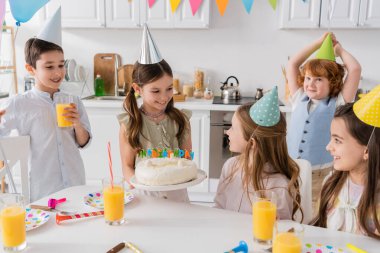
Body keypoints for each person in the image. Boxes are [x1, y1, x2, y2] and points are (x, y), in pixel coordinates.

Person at [0, 8, 91, 202]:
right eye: (49, 67)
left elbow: (84, 142)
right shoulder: (20, 104)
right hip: (43, 189)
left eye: (61, 65)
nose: (58, 72)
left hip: (76, 183)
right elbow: (2, 135)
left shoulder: (73, 101)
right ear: (30, 69)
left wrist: (77, 124)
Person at [286, 32, 361, 211]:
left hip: (319, 173)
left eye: (319, 79)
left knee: (313, 211)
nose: (310, 84)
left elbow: (355, 69)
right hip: (290, 168)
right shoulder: (299, 98)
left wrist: (339, 50)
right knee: (289, 207)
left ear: (333, 82)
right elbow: (293, 64)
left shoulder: (339, 103)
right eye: (308, 78)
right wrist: (318, 43)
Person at [118, 24, 192, 202]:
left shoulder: (181, 119)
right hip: (145, 196)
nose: (164, 97)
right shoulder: (130, 124)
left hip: (178, 194)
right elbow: (127, 167)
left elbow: (187, 158)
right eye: (155, 91)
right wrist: (139, 188)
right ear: (138, 89)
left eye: (169, 88)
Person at [214, 87, 303, 221]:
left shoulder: (279, 187)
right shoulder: (230, 167)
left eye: (232, 127)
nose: (227, 132)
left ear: (252, 144)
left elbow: (281, 231)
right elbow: (219, 207)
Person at [311, 103, 380, 238]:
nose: (328, 147)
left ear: (366, 151)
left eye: (337, 140)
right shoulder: (330, 184)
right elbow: (318, 233)